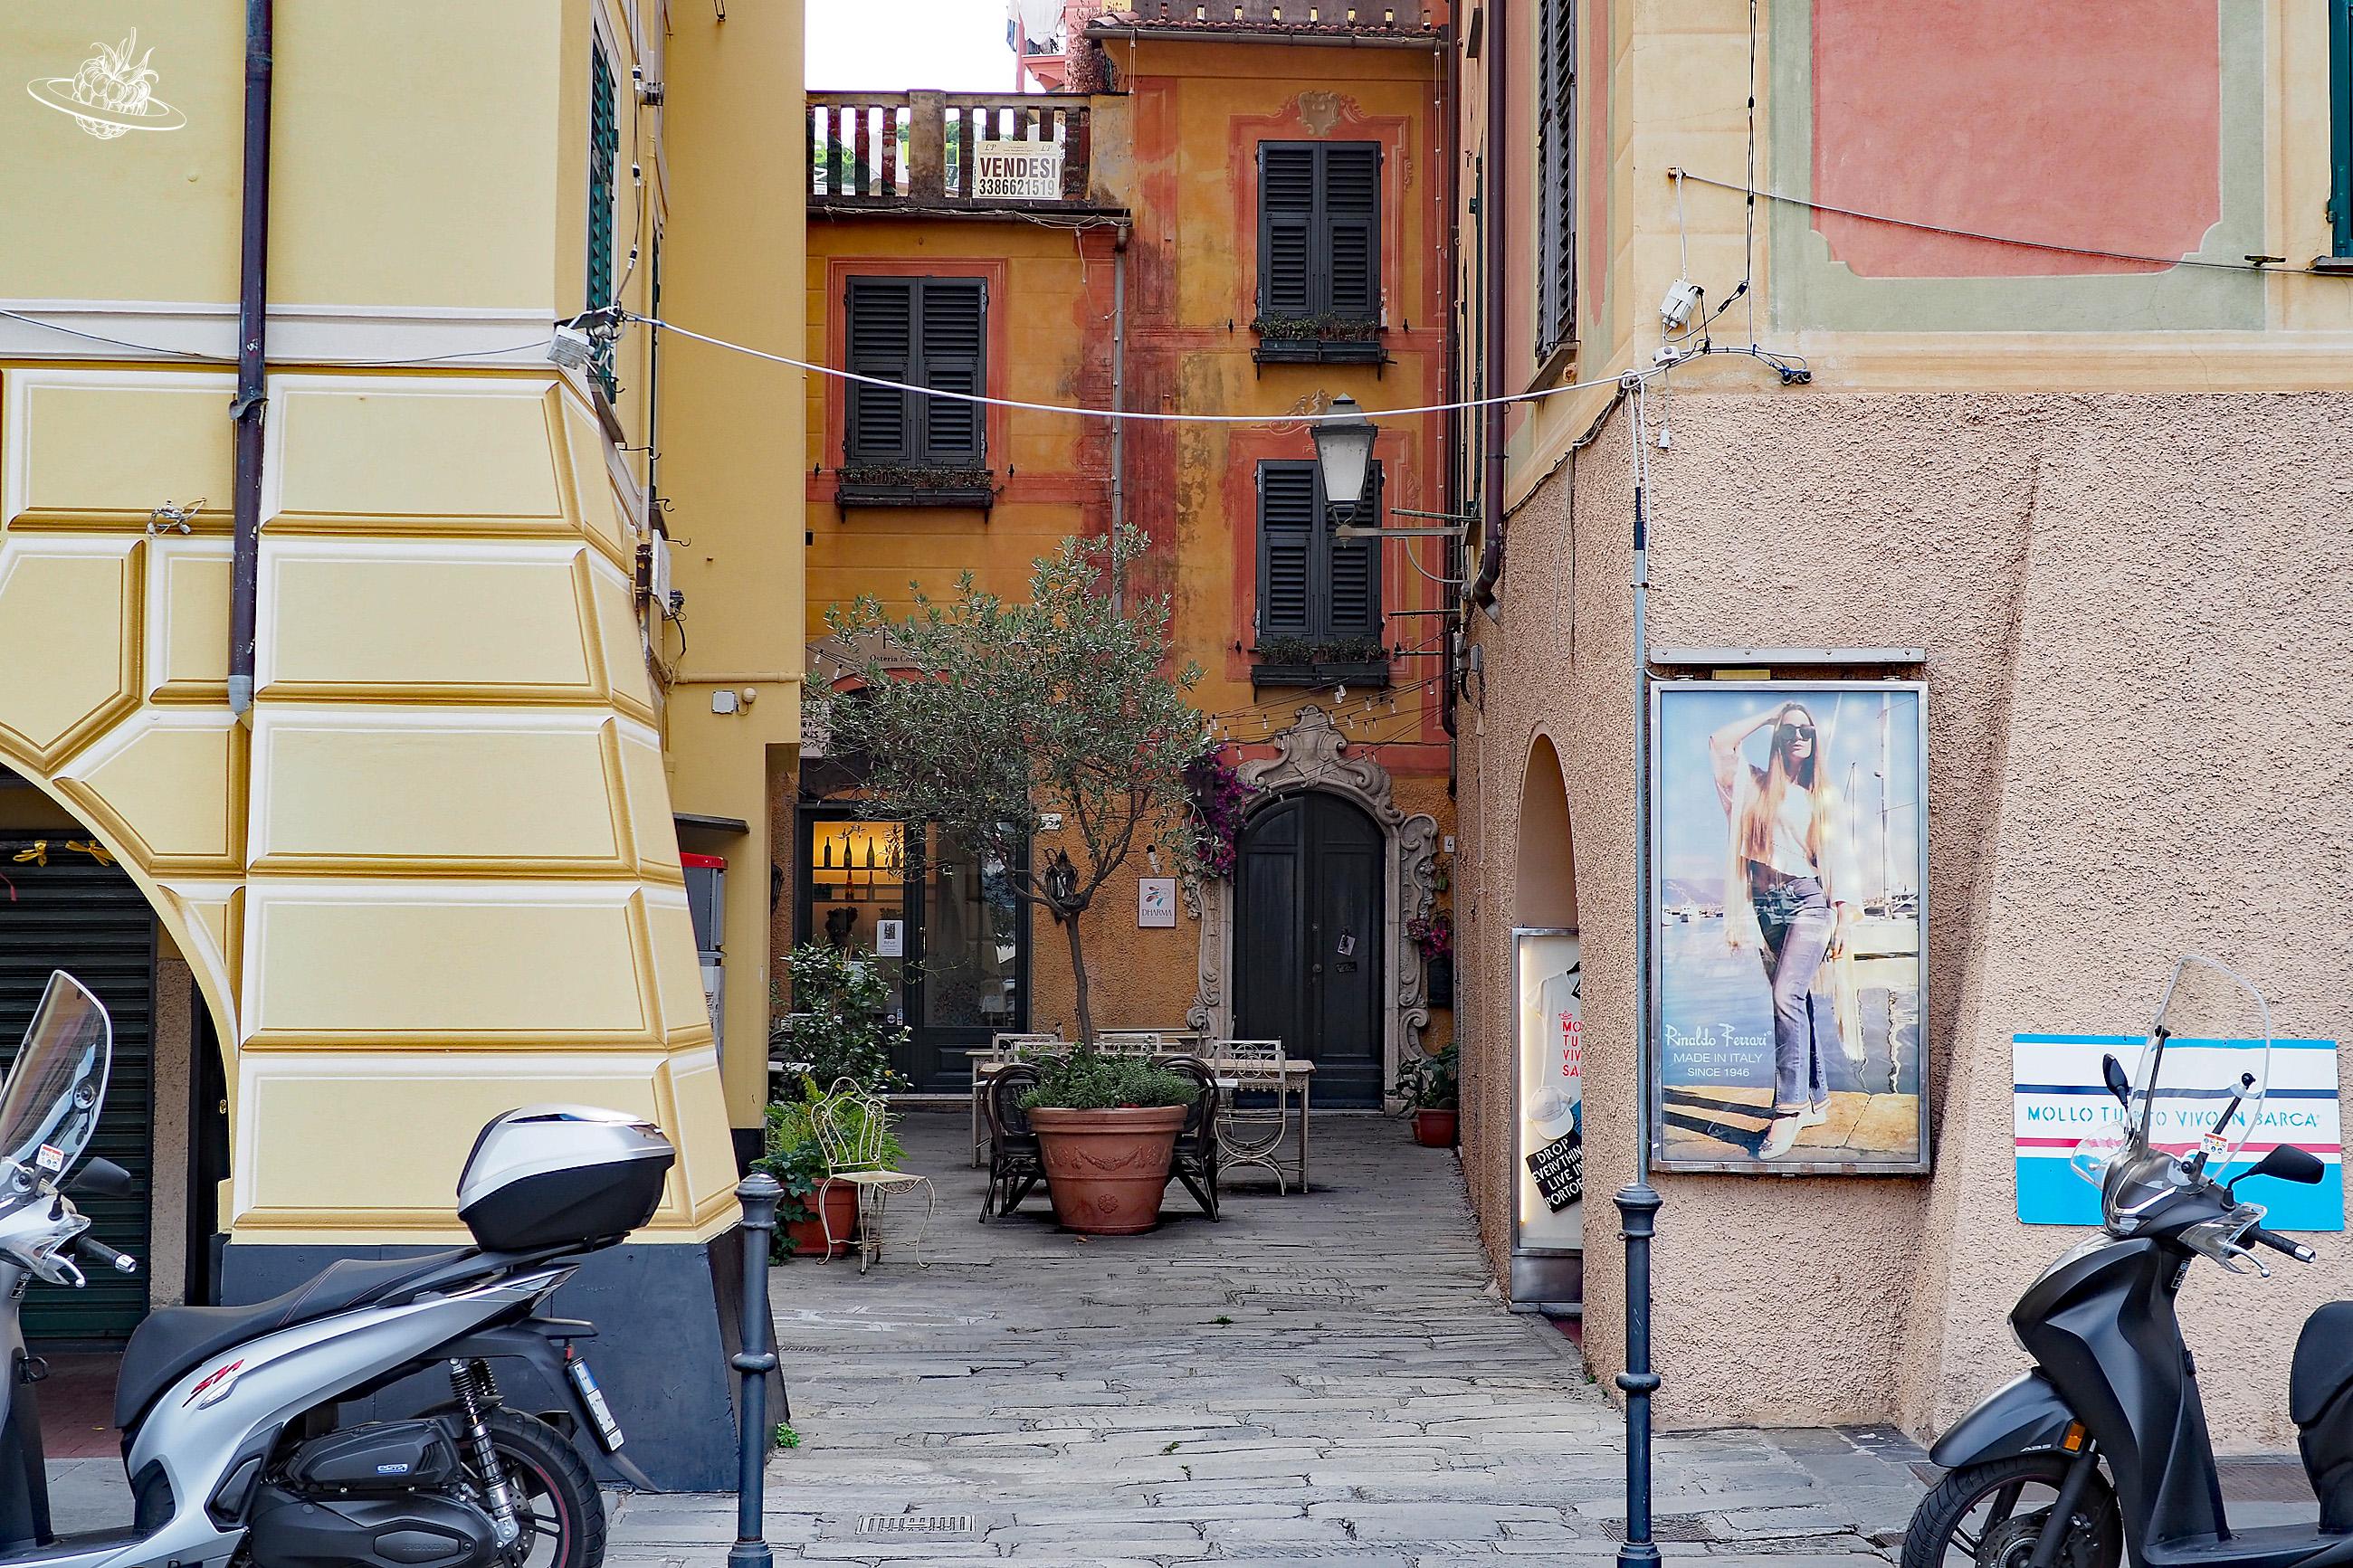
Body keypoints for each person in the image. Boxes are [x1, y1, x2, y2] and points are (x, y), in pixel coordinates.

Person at [1710, 700, 1852, 1159]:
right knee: (1797, 998)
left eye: (1806, 731)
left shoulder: (1818, 796)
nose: (1798, 737)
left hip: (1809, 901)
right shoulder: (1753, 784)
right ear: (1777, 735)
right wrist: (1773, 713)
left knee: (1784, 996)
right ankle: (1817, 1099)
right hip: (1767, 904)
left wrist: (1844, 914)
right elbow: (1720, 741)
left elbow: (1839, 857)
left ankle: (1787, 1110)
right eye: (1790, 730)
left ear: (1814, 742)